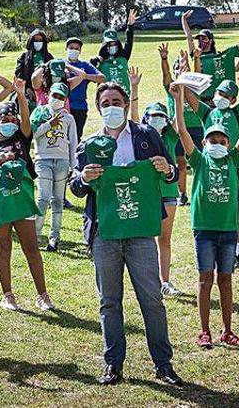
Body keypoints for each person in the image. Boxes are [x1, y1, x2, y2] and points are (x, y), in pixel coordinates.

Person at [71, 82, 183, 387]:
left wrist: (166, 169)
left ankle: (163, 364)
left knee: (152, 300)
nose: (111, 106)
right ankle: (113, 364)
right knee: (109, 301)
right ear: (97, 107)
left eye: (116, 101)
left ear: (125, 103)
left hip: (140, 229)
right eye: (105, 102)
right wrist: (82, 178)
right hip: (105, 231)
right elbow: (75, 186)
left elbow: (171, 171)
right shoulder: (89, 144)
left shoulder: (147, 135)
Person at [172, 65, 239, 348]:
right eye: (212, 140)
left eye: (222, 140)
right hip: (204, 230)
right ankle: (204, 330)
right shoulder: (199, 160)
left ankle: (228, 330)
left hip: (228, 230)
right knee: (205, 280)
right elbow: (182, 129)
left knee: (226, 281)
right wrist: (177, 98)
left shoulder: (234, 159)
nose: (217, 144)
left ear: (229, 143)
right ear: (205, 142)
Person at [0, 86, 55, 312]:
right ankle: (8, 295)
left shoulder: (22, 138)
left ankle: (43, 295)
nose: (9, 122)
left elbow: (27, 121)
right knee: (3, 248)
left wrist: (21, 94)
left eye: (13, 118)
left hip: (22, 201)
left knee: (31, 248)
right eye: (5, 118)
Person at [185, 52, 239, 269]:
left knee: (236, 208)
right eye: (219, 92)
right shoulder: (207, 112)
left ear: (232, 100)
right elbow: (191, 98)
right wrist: (185, 75)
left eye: (226, 95)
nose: (221, 97)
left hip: (233, 165)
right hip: (209, 165)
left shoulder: (237, 112)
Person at [129, 67, 185, 296]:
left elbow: (181, 126)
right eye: (153, 115)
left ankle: (165, 281)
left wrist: (178, 99)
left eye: (161, 116)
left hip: (169, 192)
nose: (157, 119)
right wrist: (134, 88)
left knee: (164, 239)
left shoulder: (170, 135)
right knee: (144, 241)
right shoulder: (140, 135)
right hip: (145, 193)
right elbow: (131, 120)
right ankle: (148, 282)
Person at [29, 83, 78, 252]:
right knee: (42, 198)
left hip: (62, 161)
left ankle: (54, 238)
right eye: (55, 95)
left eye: (61, 97)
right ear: (48, 94)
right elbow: (31, 134)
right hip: (43, 159)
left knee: (57, 200)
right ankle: (35, 236)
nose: (57, 100)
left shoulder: (69, 118)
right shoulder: (39, 112)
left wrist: (74, 165)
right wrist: (49, 124)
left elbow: (73, 142)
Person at [158, 43, 198, 203]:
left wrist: (193, 60)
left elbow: (199, 71)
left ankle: (198, 193)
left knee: (198, 164)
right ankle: (182, 194)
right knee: (180, 162)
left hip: (197, 127)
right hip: (178, 129)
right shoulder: (171, 87)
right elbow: (166, 73)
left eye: (183, 68)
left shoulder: (195, 86)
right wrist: (165, 58)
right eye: (178, 68)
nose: (180, 70)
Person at [184, 8, 239, 101]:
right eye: (199, 39)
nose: (201, 41)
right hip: (202, 96)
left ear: (210, 40)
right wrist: (183, 20)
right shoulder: (196, 54)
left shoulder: (218, 56)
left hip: (218, 96)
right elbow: (189, 38)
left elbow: (234, 69)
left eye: (204, 38)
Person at [61, 36, 106, 134]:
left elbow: (102, 78)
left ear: (80, 51)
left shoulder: (84, 65)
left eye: (77, 49)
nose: (74, 50)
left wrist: (85, 76)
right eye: (71, 48)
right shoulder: (61, 64)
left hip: (79, 107)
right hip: (62, 106)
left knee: (76, 135)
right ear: (66, 49)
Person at [91, 14, 135, 93]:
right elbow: (91, 74)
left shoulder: (123, 57)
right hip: (106, 98)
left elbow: (129, 42)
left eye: (115, 44)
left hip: (124, 96)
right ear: (105, 45)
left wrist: (130, 26)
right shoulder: (100, 61)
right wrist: (95, 61)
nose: (113, 46)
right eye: (110, 45)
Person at [14, 28, 54, 106]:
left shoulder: (49, 57)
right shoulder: (24, 57)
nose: (38, 43)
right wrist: (27, 89)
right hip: (28, 91)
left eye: (40, 41)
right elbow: (19, 74)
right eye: (35, 41)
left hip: (44, 92)